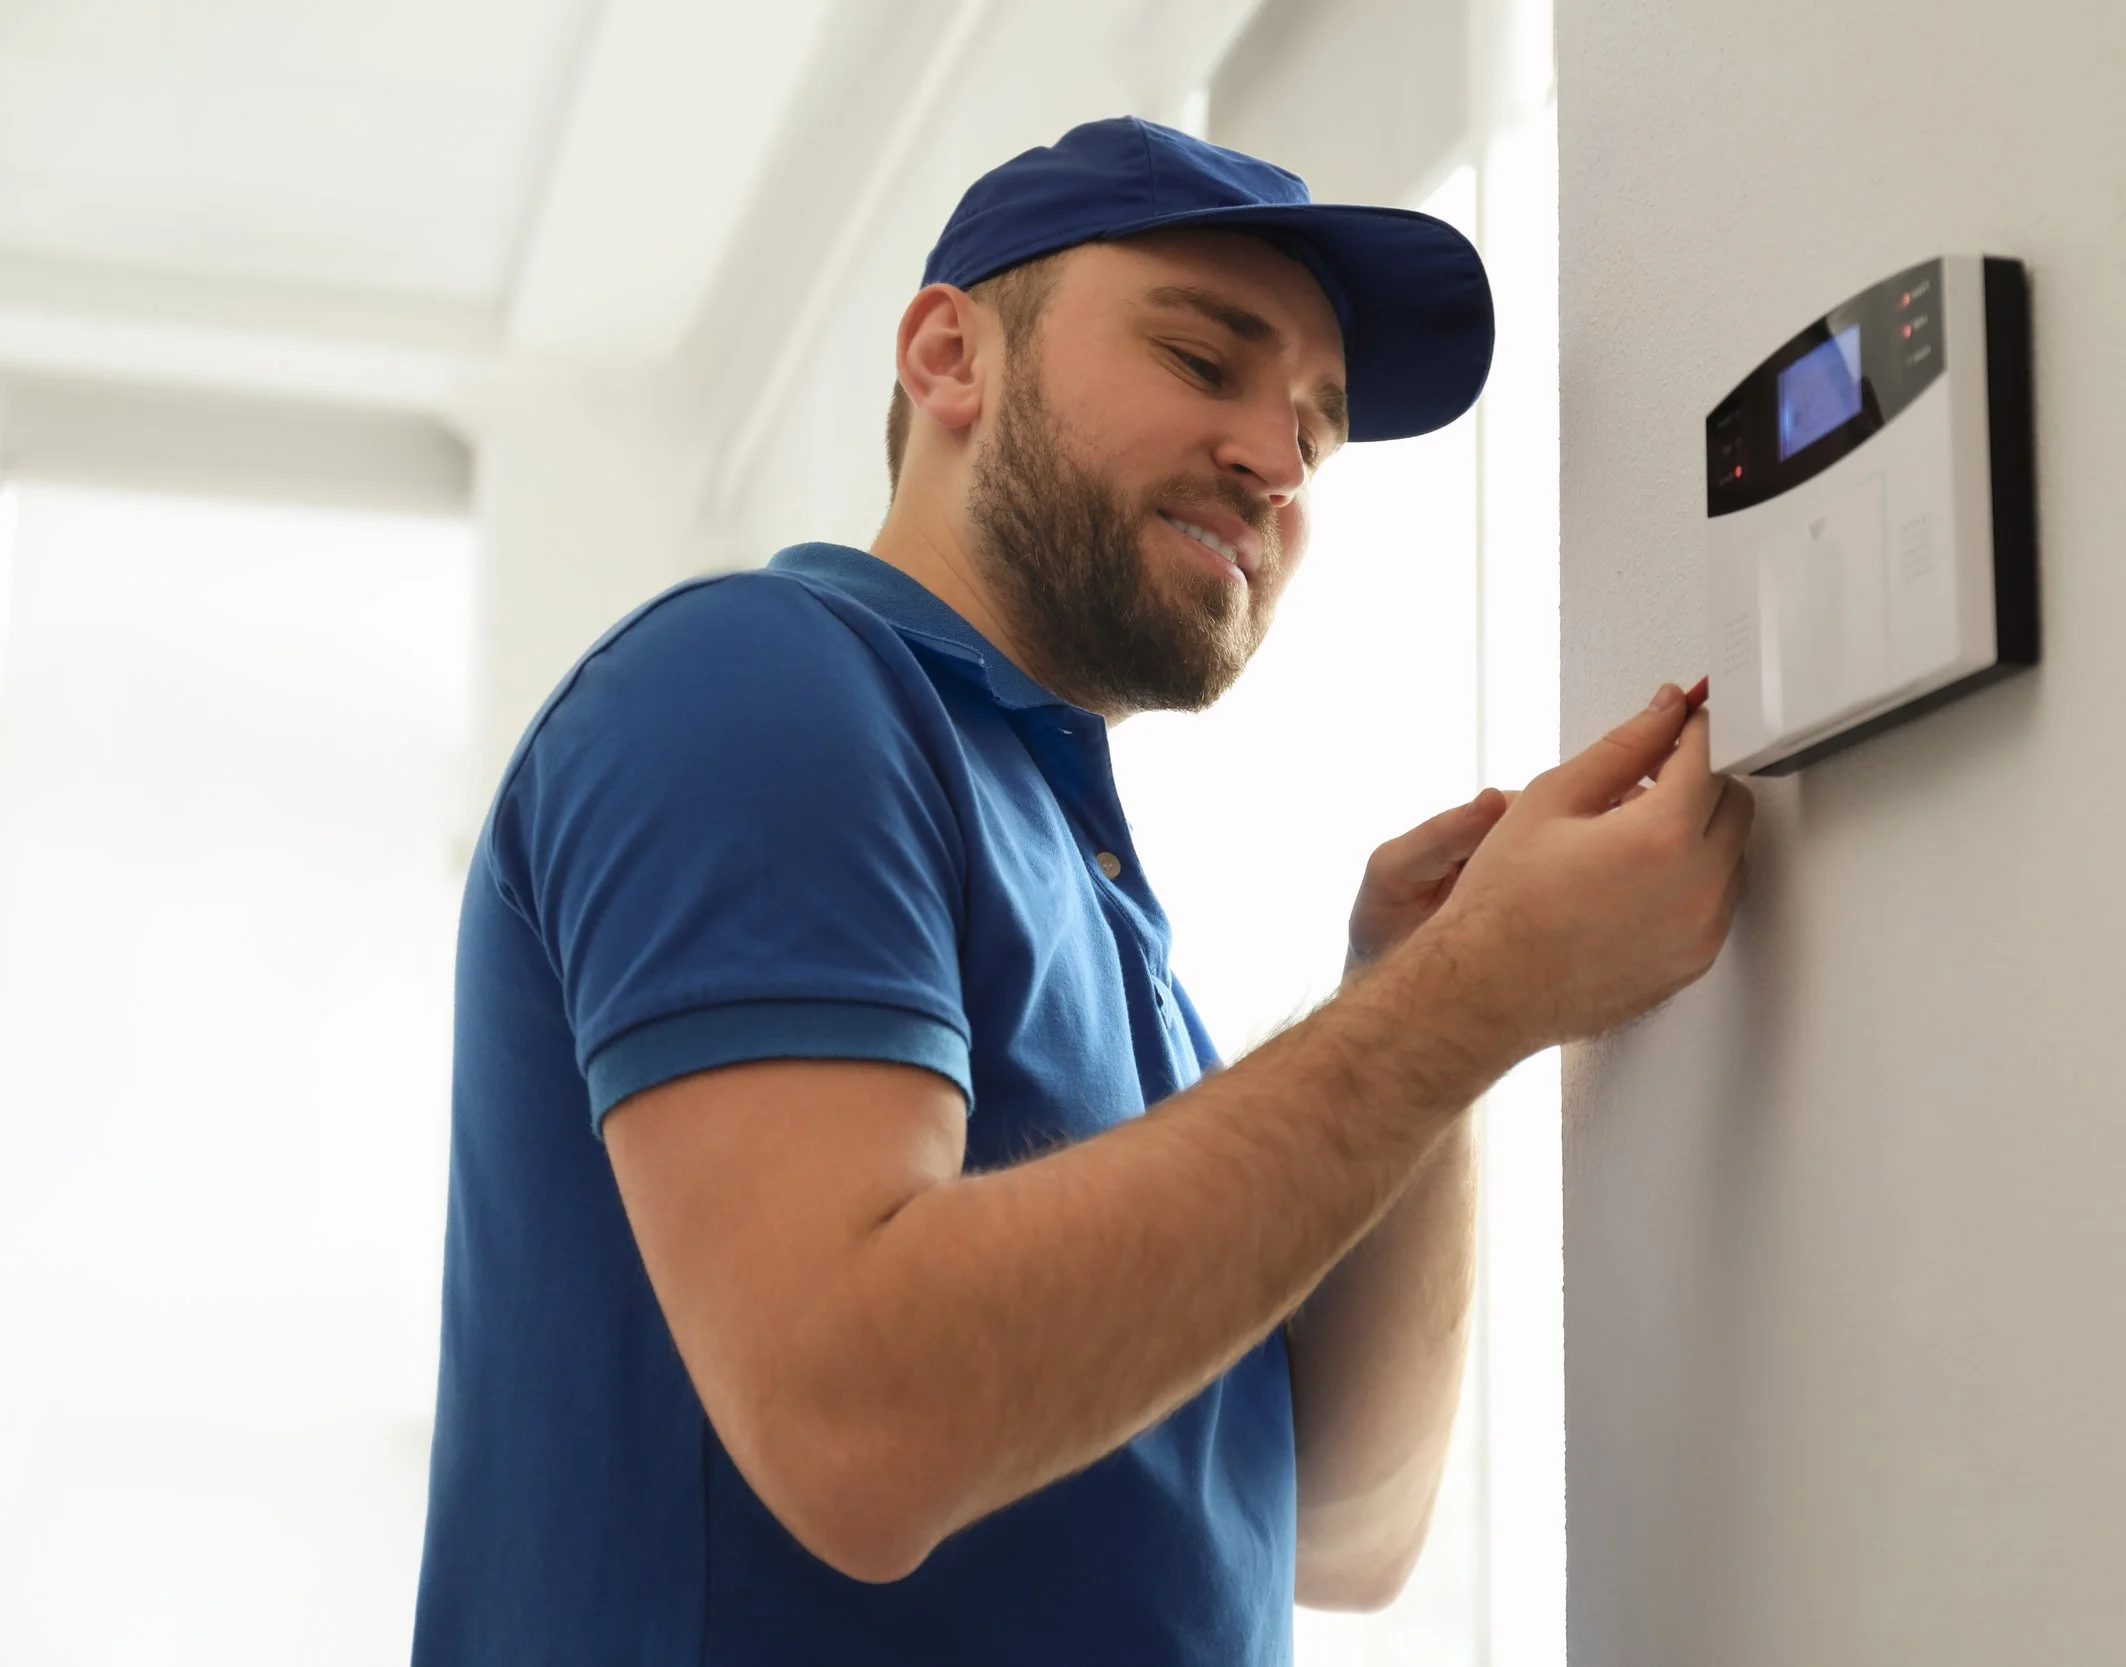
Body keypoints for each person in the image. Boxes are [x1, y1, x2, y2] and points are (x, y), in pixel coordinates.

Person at [412, 115, 1752, 1664]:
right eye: (1202, 360)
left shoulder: (1096, 898)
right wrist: (1468, 999)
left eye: (1316, 437)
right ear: (950, 357)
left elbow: (1342, 1527)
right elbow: (860, 1422)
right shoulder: (752, 685)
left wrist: (1427, 995)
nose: (1277, 464)